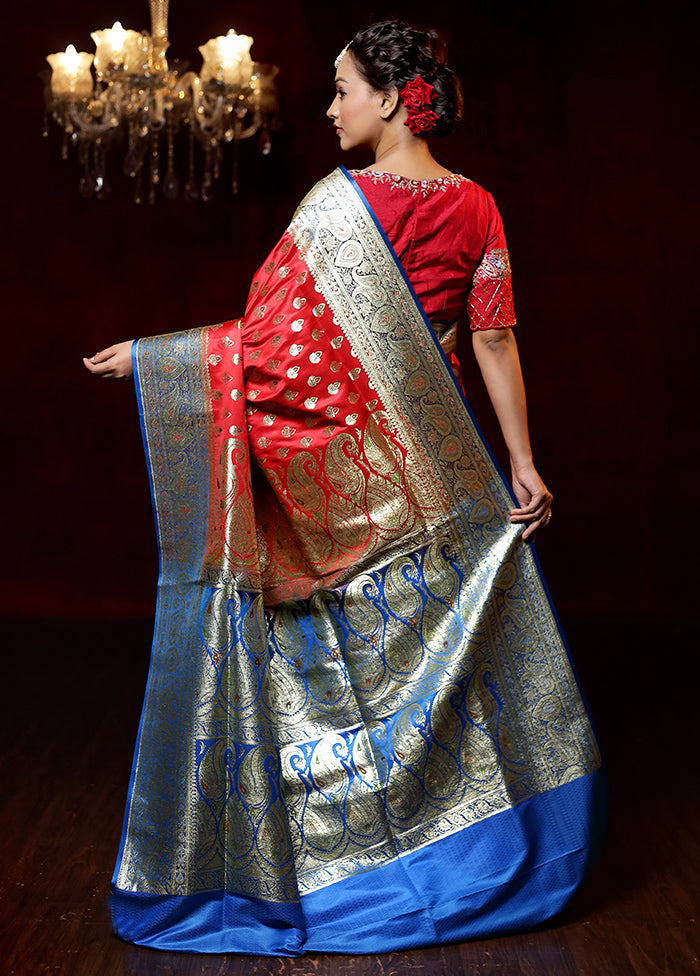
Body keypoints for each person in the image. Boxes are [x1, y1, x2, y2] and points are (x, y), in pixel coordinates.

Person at [84, 20, 605, 957]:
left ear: (395, 97)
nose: (329, 109)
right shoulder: (478, 206)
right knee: (441, 676)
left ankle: (344, 869)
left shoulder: (336, 207)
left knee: (336, 675)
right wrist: (521, 462)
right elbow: (492, 340)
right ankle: (472, 859)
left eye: (342, 90)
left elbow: (274, 350)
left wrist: (160, 362)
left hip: (349, 485)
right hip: (436, 480)